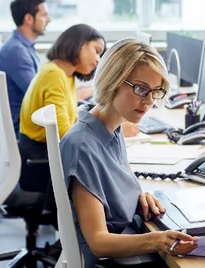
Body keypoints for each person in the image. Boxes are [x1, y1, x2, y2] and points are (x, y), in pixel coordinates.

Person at [60, 39, 197, 267]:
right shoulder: (82, 146)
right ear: (112, 81)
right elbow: (98, 241)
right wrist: (158, 240)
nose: (150, 101)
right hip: (109, 259)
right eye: (141, 89)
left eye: (156, 91)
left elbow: (110, 189)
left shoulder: (111, 127)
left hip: (125, 243)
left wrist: (136, 197)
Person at [18, 24, 105, 198]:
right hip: (39, 163)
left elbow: (69, 121)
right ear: (80, 43)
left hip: (42, 155)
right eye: (96, 51)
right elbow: (65, 135)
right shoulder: (54, 75)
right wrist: (105, 132)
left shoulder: (64, 74)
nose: (98, 60)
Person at [0, 0, 50, 136]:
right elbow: (38, 95)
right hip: (25, 130)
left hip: (29, 122)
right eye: (44, 15)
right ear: (28, 18)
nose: (48, 20)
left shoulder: (23, 47)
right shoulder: (16, 52)